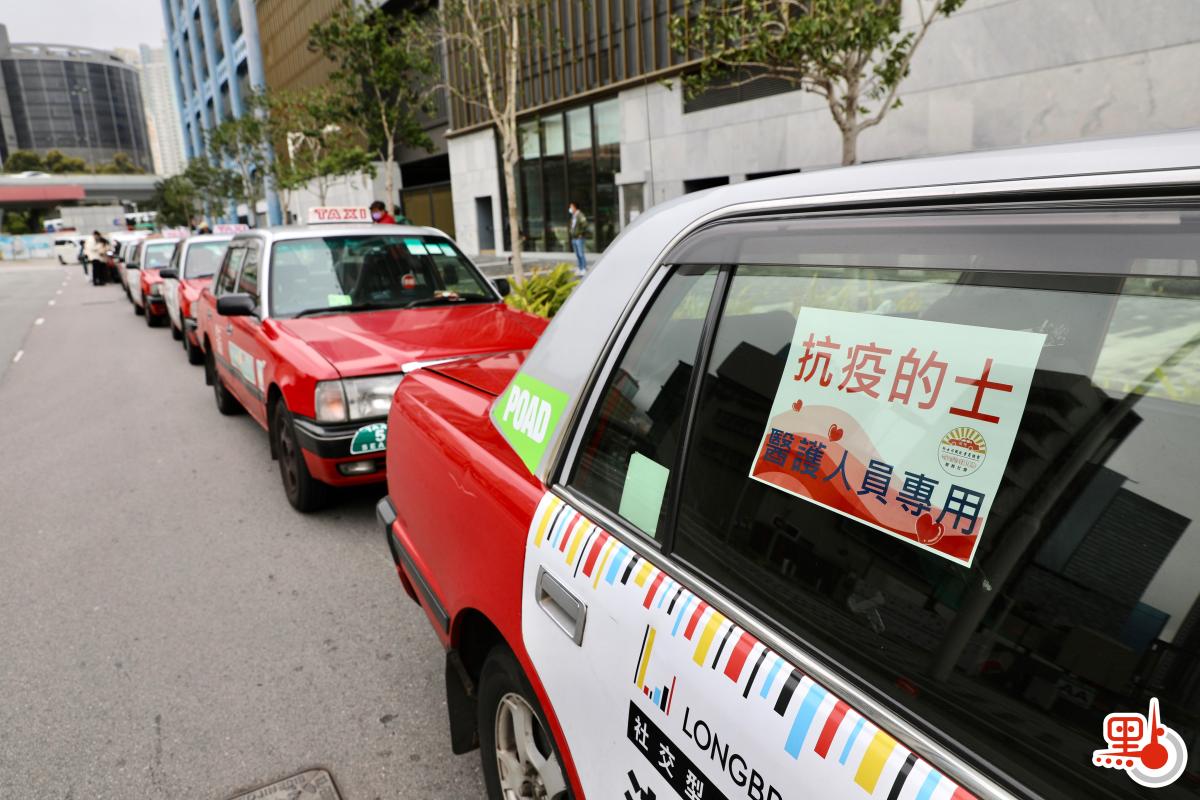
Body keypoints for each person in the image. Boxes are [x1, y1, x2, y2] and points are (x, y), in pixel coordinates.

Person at [568, 201, 589, 273]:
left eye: (571, 207)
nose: (570, 208)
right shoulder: (574, 216)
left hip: (579, 238)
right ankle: (580, 268)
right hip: (574, 238)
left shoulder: (580, 215)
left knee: (581, 253)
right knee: (577, 254)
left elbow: (585, 224)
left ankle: (584, 268)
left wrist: (581, 233)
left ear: (575, 207)